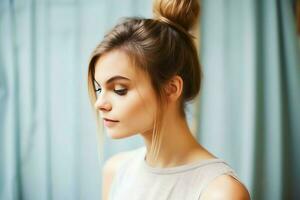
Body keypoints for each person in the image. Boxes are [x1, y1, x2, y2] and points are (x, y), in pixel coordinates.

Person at [87, 0, 251, 199]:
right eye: (98, 88)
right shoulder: (115, 171)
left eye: (119, 89)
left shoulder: (220, 191)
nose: (99, 103)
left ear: (171, 89)